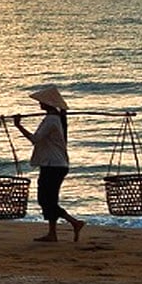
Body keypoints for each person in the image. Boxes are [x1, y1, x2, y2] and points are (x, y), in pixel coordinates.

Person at [13, 85, 86, 242]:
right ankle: (52, 233)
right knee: (50, 200)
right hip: (55, 165)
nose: (40, 104)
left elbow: (35, 139)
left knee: (45, 200)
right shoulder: (56, 119)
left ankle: (74, 222)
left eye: (42, 101)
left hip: (53, 166)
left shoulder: (52, 120)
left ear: (49, 104)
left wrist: (18, 126)